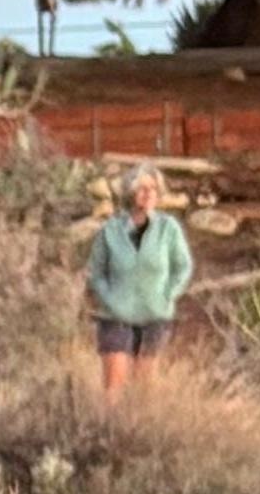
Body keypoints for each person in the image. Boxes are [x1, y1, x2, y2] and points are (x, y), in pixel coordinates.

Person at [83, 162, 193, 397]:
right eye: (142, 188)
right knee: (114, 388)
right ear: (130, 193)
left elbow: (182, 267)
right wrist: (109, 298)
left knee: (146, 390)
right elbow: (96, 271)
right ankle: (109, 432)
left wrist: (169, 294)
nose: (148, 193)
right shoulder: (110, 230)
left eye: (153, 188)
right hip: (116, 316)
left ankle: (141, 432)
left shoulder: (168, 229)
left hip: (154, 314)